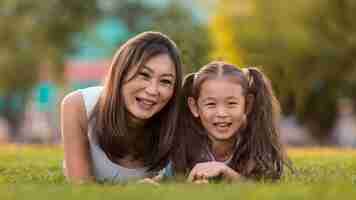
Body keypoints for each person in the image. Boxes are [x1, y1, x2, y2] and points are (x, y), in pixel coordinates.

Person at [61, 31, 182, 184]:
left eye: (165, 81)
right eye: (144, 75)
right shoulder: (79, 105)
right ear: (121, 73)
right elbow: (81, 188)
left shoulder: (179, 120)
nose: (153, 90)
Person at [171, 61, 291, 183]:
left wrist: (225, 172)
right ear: (194, 107)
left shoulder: (256, 144)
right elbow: (161, 179)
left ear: (247, 105)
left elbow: (264, 187)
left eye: (231, 103)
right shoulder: (181, 145)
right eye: (211, 104)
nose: (222, 113)